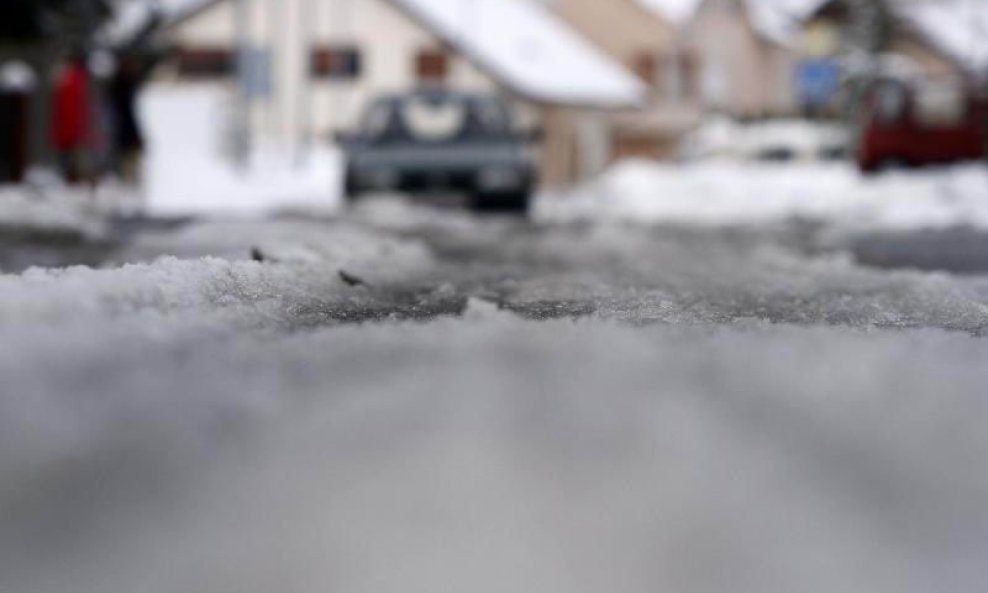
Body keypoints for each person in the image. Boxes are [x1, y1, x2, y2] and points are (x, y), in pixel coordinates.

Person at [50, 53, 92, 184]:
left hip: (71, 129)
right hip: (73, 129)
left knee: (72, 158)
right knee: (72, 158)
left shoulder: (68, 80)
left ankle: (74, 179)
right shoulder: (74, 80)